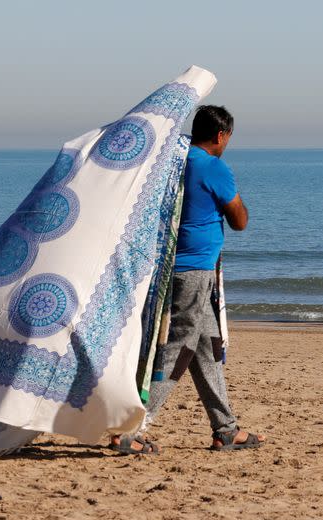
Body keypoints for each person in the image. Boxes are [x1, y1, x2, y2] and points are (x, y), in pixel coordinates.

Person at [110, 105, 265, 454]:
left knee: (207, 348)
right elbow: (240, 220)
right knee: (179, 350)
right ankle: (130, 429)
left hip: (176, 270)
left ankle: (225, 430)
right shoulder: (214, 167)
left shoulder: (174, 163)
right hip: (194, 272)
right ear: (221, 135)